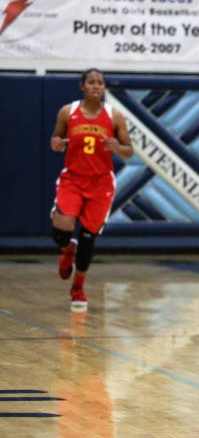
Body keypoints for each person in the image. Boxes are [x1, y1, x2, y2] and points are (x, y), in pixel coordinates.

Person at [50, 68, 133, 310]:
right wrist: (56, 143)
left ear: (104, 88)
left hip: (100, 183)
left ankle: (78, 288)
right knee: (61, 230)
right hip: (73, 179)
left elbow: (129, 151)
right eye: (92, 82)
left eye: (100, 83)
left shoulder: (114, 116)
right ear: (82, 86)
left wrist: (118, 146)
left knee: (88, 236)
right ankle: (67, 250)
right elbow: (55, 139)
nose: (96, 86)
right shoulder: (68, 112)